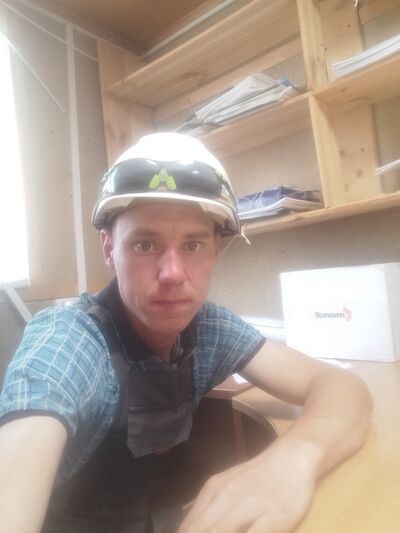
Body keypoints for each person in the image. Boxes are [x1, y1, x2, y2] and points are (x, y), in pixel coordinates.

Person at [0, 132, 372, 533]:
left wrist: (291, 462)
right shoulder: (69, 341)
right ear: (109, 249)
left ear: (216, 248)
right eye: (144, 245)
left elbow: (341, 385)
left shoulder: (208, 330)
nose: (173, 274)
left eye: (192, 246)